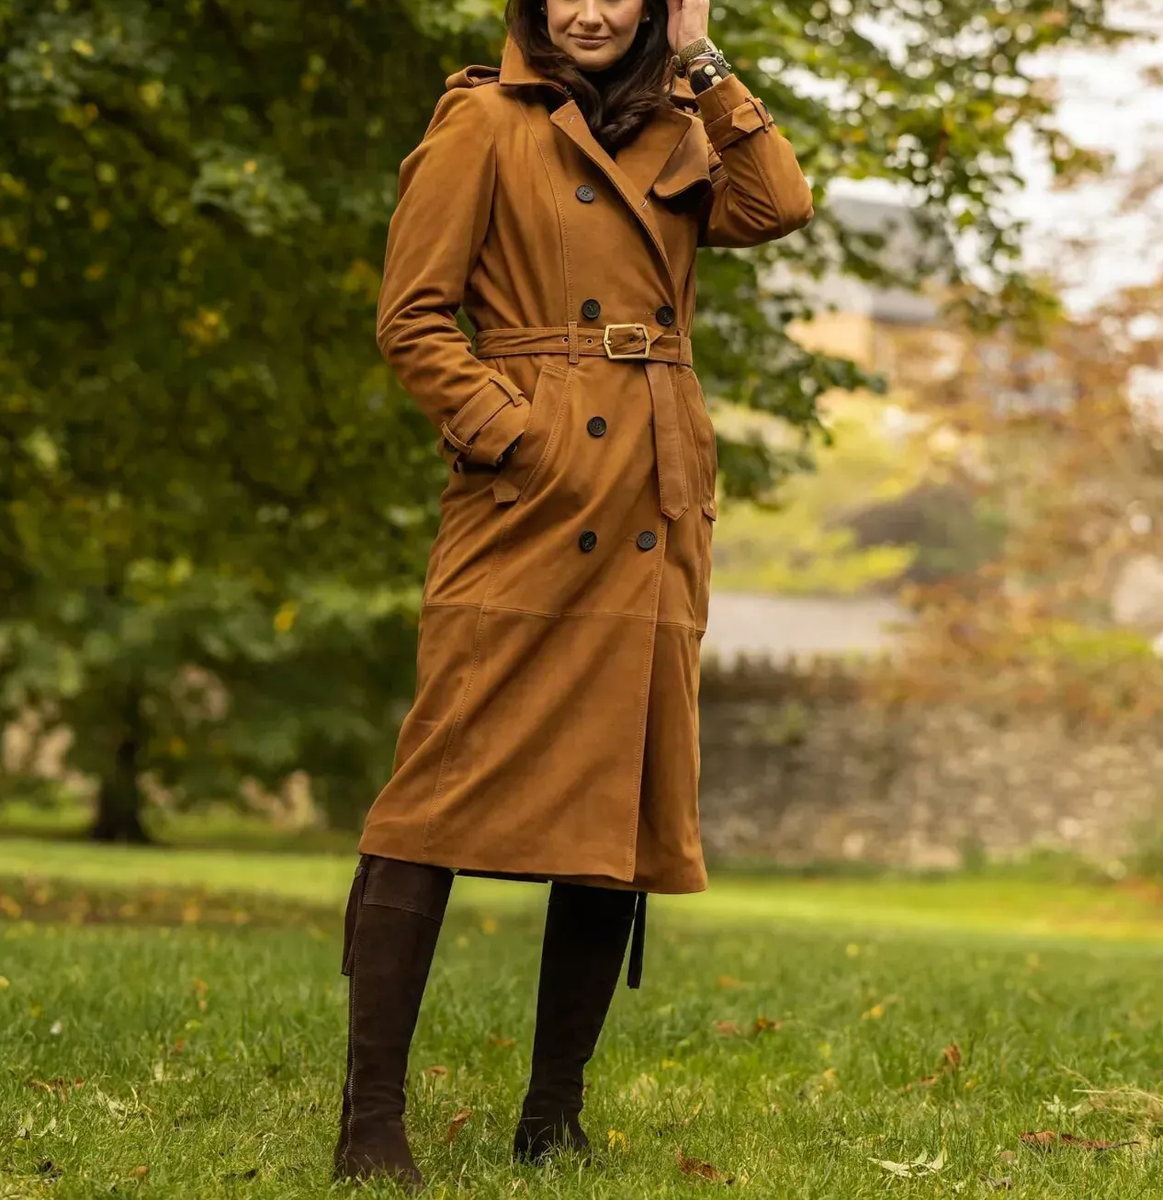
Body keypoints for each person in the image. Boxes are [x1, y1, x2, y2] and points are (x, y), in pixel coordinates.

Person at [334, 0, 813, 1189]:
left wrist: (703, 60)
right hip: (527, 498)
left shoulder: (679, 126)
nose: (588, 10)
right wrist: (511, 432)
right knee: (431, 790)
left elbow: (777, 207)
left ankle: (552, 1118)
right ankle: (368, 1126)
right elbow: (412, 317)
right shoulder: (480, 122)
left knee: (616, 815)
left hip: (653, 494)